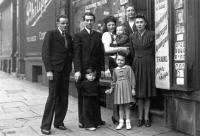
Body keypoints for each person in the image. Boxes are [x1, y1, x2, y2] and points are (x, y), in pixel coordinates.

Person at [41, 15, 73, 135]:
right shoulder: (51, 34)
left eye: (67, 23)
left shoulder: (69, 37)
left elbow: (70, 53)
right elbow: (45, 53)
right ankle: (45, 125)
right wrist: (49, 70)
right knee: (52, 97)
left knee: (63, 97)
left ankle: (59, 122)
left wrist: (70, 67)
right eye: (63, 23)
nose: (65, 25)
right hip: (54, 71)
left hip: (65, 71)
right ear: (57, 24)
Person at [73, 12, 105, 129]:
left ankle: (96, 119)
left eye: (91, 20)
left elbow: (101, 54)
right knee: (85, 96)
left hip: (95, 70)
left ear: (94, 21)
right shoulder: (78, 35)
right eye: (87, 20)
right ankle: (86, 122)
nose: (89, 22)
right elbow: (76, 55)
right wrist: (77, 70)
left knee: (95, 95)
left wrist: (102, 69)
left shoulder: (98, 35)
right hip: (83, 70)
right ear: (83, 21)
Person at [102, 15, 129, 124]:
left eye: (113, 24)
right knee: (116, 90)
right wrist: (121, 48)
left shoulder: (117, 35)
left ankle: (118, 114)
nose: (112, 26)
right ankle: (115, 115)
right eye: (109, 25)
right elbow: (107, 49)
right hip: (113, 64)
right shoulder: (106, 35)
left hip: (119, 64)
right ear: (106, 26)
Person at [130, 14, 156, 127]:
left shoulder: (152, 34)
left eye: (141, 22)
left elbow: (157, 50)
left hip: (149, 64)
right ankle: (140, 118)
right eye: (137, 22)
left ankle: (146, 118)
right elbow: (131, 53)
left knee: (147, 93)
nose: (139, 24)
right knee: (139, 93)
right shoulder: (132, 36)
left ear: (145, 23)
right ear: (135, 24)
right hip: (137, 65)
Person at [106, 52, 136, 130]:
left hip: (126, 88)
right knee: (120, 107)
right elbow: (114, 81)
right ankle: (121, 122)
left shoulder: (128, 68)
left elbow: (132, 78)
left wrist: (133, 89)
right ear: (116, 60)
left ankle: (128, 122)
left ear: (125, 60)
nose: (120, 62)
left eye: (122, 60)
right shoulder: (115, 70)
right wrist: (111, 89)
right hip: (118, 90)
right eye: (118, 60)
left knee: (127, 106)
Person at [78, 67, 103, 131]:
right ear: (86, 76)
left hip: (95, 99)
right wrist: (77, 79)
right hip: (87, 100)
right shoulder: (84, 83)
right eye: (90, 75)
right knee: (88, 112)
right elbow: (79, 87)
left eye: (93, 76)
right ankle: (88, 125)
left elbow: (99, 90)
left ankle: (95, 123)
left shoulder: (96, 83)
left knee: (94, 111)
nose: (92, 77)